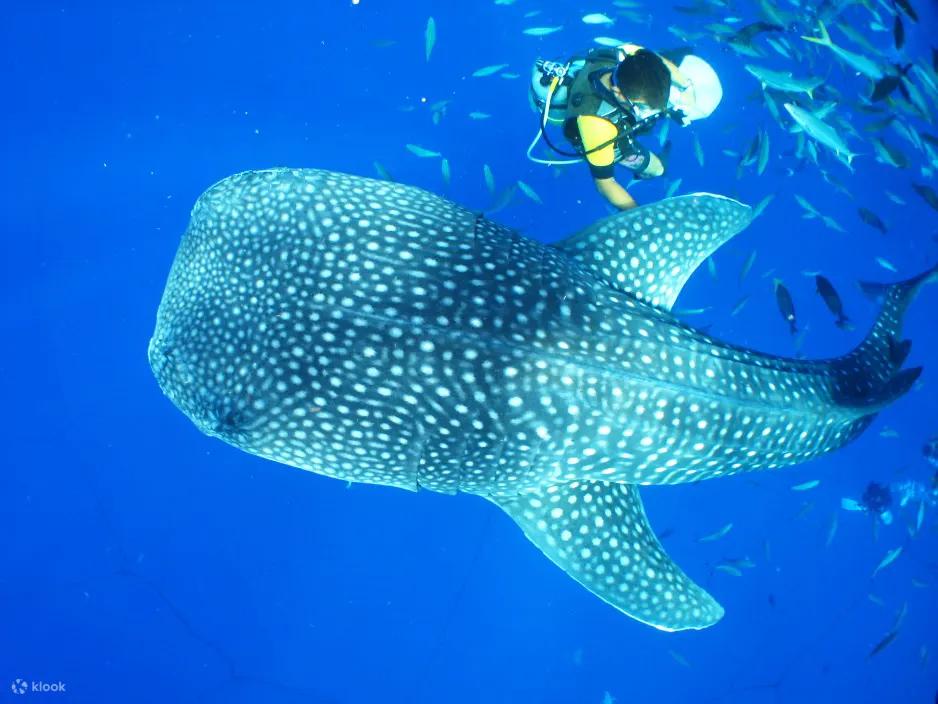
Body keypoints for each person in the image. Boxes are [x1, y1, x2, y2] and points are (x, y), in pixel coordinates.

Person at [528, 44, 722, 210]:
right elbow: (605, 184)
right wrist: (640, 217)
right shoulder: (597, 127)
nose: (650, 113)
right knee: (657, 170)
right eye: (644, 107)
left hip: (613, 100)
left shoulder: (626, 55)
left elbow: (655, 60)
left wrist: (685, 86)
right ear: (618, 93)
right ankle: (648, 171)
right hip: (601, 133)